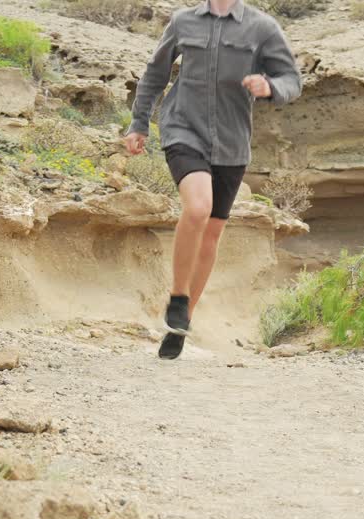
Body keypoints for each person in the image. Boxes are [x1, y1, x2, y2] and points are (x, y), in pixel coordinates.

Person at [126, 0, 301, 359]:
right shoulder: (183, 21)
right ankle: (178, 296)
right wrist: (139, 122)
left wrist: (270, 86)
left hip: (232, 143)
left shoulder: (261, 27)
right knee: (198, 207)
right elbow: (156, 73)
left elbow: (292, 80)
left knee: (213, 230)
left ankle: (181, 323)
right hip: (182, 129)